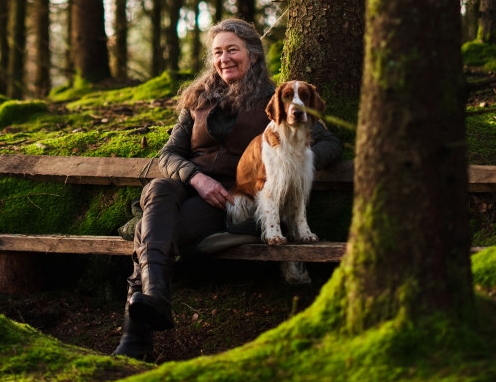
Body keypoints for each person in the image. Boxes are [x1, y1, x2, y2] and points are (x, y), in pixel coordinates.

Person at [111, 19, 343, 361]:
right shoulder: (197, 99)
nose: (225, 58)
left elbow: (329, 142)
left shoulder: (276, 99)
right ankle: (155, 299)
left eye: (232, 50)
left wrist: (289, 163)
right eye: (218, 52)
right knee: (159, 187)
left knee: (149, 231)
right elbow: (168, 155)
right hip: (186, 187)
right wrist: (195, 178)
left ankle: (137, 335)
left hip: (227, 198)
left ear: (252, 55)